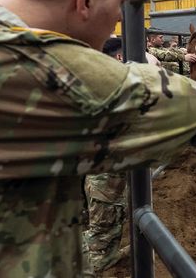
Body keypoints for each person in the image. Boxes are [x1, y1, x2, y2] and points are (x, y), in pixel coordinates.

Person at [0, 0, 196, 277]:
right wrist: (142, 70)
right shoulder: (43, 68)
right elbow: (192, 104)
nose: (123, 17)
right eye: (121, 3)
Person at [82, 37, 128, 273]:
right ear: (120, 57)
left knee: (102, 222)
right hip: (104, 177)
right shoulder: (112, 86)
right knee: (101, 229)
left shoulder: (92, 81)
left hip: (94, 172)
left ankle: (104, 255)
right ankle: (95, 263)